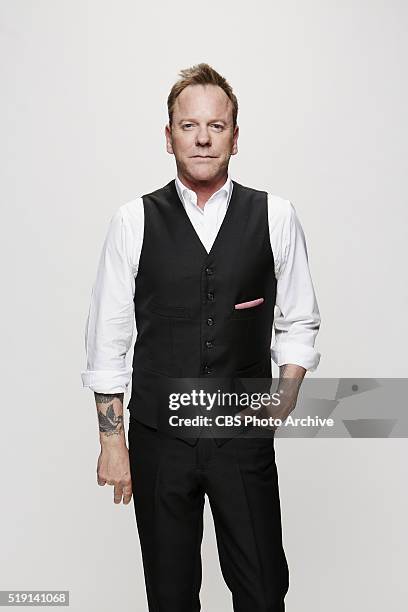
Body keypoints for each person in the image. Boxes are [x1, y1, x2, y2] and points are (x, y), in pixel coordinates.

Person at [81, 62, 321, 612]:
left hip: (242, 436)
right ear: (169, 137)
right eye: (189, 126)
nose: (203, 137)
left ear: (236, 136)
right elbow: (108, 337)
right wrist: (112, 443)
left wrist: (282, 397)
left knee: (262, 589)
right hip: (159, 439)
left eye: (216, 125)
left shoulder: (276, 215)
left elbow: (299, 320)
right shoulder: (132, 221)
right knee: (170, 595)